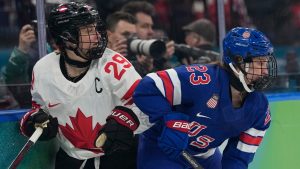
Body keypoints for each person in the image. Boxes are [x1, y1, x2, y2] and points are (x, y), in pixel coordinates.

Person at [19, 2, 144, 169]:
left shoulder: (115, 65)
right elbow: (40, 108)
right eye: (88, 31)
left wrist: (129, 119)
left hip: (117, 158)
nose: (97, 36)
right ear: (67, 38)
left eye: (96, 29)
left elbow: (146, 104)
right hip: (70, 161)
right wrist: (34, 120)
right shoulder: (43, 70)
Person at [133, 27, 277, 169]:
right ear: (238, 60)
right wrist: (171, 120)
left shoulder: (260, 108)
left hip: (204, 156)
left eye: (266, 63)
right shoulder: (201, 79)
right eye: (260, 63)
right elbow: (147, 87)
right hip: (162, 148)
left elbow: (238, 158)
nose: (265, 71)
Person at [122, 1, 175, 76]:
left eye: (151, 27)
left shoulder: (152, 56)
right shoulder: (119, 55)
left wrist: (160, 60)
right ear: (129, 27)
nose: (151, 32)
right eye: (144, 26)